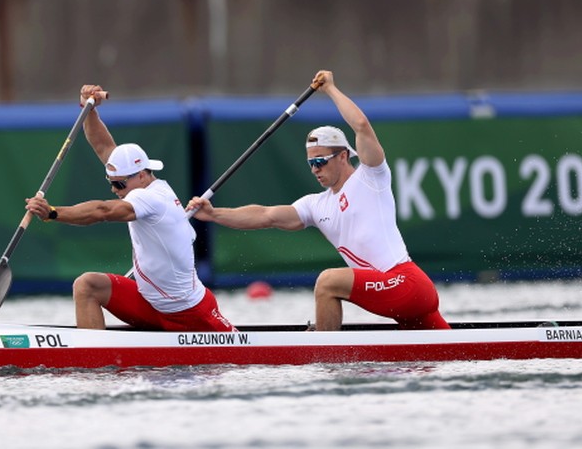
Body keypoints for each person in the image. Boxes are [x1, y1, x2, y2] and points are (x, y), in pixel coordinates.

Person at [187, 70, 450, 331]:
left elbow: (361, 125)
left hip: (406, 283)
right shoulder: (316, 205)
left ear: (343, 156)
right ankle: (327, 345)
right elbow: (266, 215)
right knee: (450, 350)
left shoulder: (371, 176)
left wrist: (331, 90)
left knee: (327, 282)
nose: (315, 169)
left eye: (320, 161)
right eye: (311, 163)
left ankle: (323, 359)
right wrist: (214, 215)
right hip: (398, 296)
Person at [25, 84, 234, 332]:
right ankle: (92, 362)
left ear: (143, 176)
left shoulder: (151, 198)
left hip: (189, 312)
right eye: (111, 183)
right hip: (150, 305)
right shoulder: (135, 180)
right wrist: (88, 108)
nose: (115, 189)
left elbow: (103, 211)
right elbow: (103, 146)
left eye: (119, 184)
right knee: (87, 285)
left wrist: (52, 213)